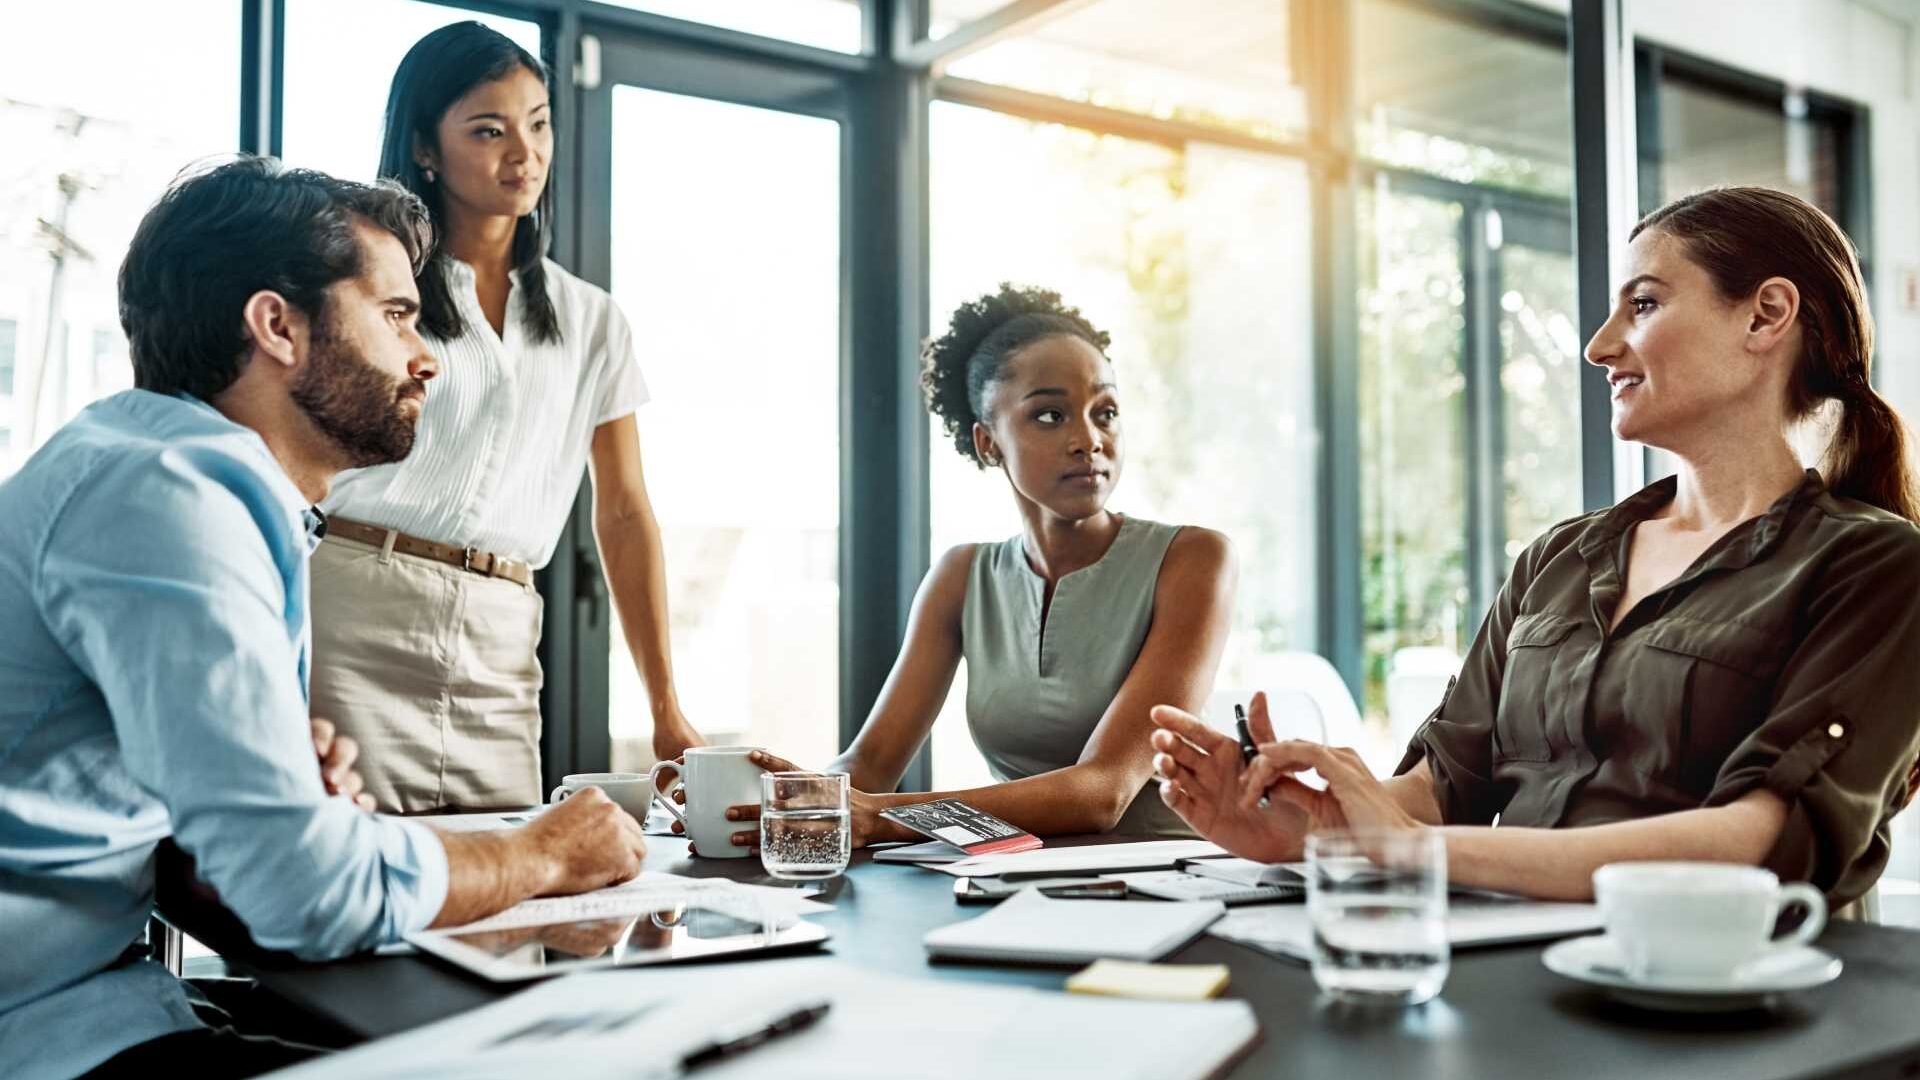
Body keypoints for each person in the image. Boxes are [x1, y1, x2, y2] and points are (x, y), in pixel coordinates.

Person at [0, 158, 647, 1080]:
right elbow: (301, 890)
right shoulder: (171, 496)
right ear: (277, 326)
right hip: (48, 1031)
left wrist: (282, 812)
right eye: (395, 316)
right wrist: (538, 854)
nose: (427, 355)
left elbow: (227, 870)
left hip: (99, 996)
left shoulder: (165, 474)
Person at [1150, 187, 1920, 909]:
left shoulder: (1873, 568)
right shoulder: (1560, 558)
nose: (1598, 346)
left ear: (1765, 317)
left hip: (1724, 1008)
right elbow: (1440, 789)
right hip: (1512, 966)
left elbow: (1762, 842)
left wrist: (1421, 852)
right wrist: (1310, 828)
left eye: (1643, 305)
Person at [314, 22, 700, 813]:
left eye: (538, 123)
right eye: (488, 130)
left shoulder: (592, 319)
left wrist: (664, 704)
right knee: (361, 892)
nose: (523, 155)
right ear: (425, 146)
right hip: (353, 613)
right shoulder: (371, 288)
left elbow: (624, 513)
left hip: (502, 633)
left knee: (508, 903)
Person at [709, 284, 1236, 851]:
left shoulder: (1195, 559)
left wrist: (880, 816)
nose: (1089, 440)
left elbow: (1102, 792)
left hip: (1179, 889)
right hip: (1015, 887)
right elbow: (870, 765)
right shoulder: (962, 576)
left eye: (1105, 412)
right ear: (988, 443)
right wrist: (770, 809)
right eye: (1051, 415)